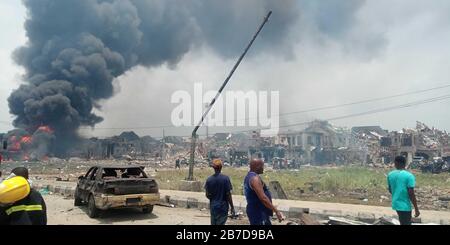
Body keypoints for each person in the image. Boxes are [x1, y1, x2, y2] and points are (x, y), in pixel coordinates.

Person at [244, 158, 284, 225]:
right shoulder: (255, 179)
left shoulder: (249, 176)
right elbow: (263, 198)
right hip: (259, 211)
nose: (263, 168)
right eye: (262, 166)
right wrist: (276, 211)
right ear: (257, 167)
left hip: (255, 210)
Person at [387, 156, 420, 225]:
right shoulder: (409, 176)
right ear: (405, 164)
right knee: (406, 222)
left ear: (395, 164)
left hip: (395, 203)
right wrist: (416, 209)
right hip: (405, 205)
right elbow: (411, 193)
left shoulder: (390, 175)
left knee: (403, 221)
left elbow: (390, 190)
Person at [204, 158, 235, 225]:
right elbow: (228, 194)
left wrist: (213, 198)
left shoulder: (209, 180)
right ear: (221, 167)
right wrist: (232, 207)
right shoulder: (226, 179)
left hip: (214, 206)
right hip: (223, 206)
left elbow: (207, 195)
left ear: (213, 168)